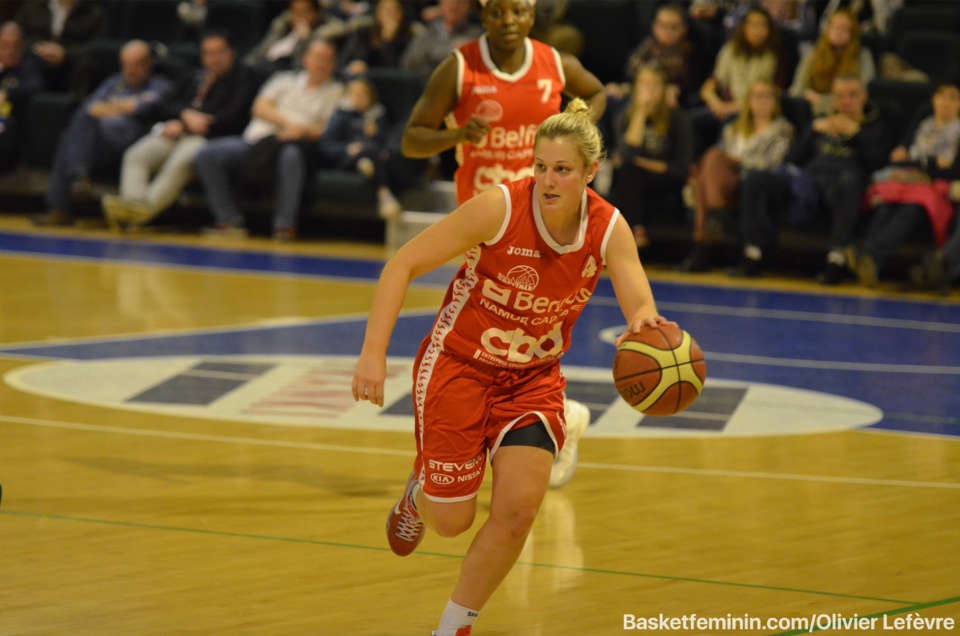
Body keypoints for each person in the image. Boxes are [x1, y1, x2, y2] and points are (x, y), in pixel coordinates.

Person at [352, 98, 668, 636]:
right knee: (452, 522)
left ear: (590, 173)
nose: (548, 180)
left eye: (562, 170)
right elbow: (402, 263)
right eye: (540, 166)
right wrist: (372, 354)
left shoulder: (608, 226)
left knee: (519, 510)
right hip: (459, 366)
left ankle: (452, 628)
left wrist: (644, 325)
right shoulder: (499, 208)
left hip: (531, 379)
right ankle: (418, 489)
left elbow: (640, 302)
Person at [400, 0, 607, 488]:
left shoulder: (554, 63)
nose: (507, 22)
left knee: (525, 333)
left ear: (531, 14)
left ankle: (537, 425)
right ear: (484, 15)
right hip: (488, 228)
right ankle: (561, 417)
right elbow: (411, 139)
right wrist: (455, 134)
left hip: (543, 225)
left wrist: (577, 125)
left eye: (517, 11)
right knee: (488, 341)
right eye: (496, 13)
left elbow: (597, 92)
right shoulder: (459, 66)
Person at [736, 74, 887, 281]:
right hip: (806, 186)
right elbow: (793, 160)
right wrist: (813, 131)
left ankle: (836, 259)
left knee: (850, 181)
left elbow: (878, 164)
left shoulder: (874, 125)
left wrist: (857, 133)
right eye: (840, 96)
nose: (846, 101)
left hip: (840, 187)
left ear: (864, 97)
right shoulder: (820, 123)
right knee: (755, 177)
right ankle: (753, 254)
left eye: (853, 95)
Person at [101, 31, 257, 231]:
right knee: (136, 155)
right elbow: (167, 104)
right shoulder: (194, 76)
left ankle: (139, 215)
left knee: (179, 163)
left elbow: (235, 117)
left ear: (232, 53)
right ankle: (132, 207)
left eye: (220, 52)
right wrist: (184, 115)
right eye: (209, 53)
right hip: (176, 131)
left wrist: (191, 123)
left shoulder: (243, 79)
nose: (214, 58)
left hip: (209, 137)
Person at [190, 39, 344, 241]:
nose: (321, 64)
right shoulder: (283, 80)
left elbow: (326, 130)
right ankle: (229, 220)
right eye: (317, 58)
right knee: (207, 154)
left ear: (334, 64)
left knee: (291, 155)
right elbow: (259, 108)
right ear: (306, 59)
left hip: (295, 144)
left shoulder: (337, 92)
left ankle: (284, 225)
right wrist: (287, 124)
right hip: (255, 143)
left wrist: (299, 131)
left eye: (327, 60)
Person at [31, 40, 172, 227]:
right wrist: (122, 106)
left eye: (136, 65)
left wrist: (111, 107)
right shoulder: (114, 82)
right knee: (77, 126)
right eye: (126, 65)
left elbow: (142, 107)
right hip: (96, 138)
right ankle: (78, 181)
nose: (130, 70)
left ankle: (64, 199)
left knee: (71, 137)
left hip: (130, 137)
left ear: (149, 64)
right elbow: (89, 108)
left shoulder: (160, 84)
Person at [680, 80, 794, 272]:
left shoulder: (783, 129)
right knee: (710, 160)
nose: (762, 101)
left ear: (775, 101)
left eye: (768, 96)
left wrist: (739, 161)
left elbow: (773, 163)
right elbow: (720, 158)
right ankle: (712, 219)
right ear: (748, 101)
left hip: (756, 183)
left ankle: (702, 245)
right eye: (757, 96)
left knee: (709, 172)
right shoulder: (732, 128)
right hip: (727, 182)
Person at [854, 81, 960, 287]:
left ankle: (940, 267)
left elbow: (951, 170)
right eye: (942, 96)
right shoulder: (923, 124)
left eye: (953, 98)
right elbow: (897, 159)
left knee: (913, 207)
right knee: (885, 205)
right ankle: (869, 260)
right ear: (933, 100)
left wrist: (921, 163)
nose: (946, 103)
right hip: (908, 182)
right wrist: (927, 163)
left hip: (936, 189)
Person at [609, 64, 694, 250]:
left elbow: (681, 167)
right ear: (636, 88)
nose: (649, 91)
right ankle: (636, 230)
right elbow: (625, 155)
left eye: (654, 85)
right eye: (644, 85)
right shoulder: (625, 116)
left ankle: (633, 231)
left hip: (666, 182)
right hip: (635, 181)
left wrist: (641, 163)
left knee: (631, 169)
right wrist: (640, 114)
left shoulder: (677, 118)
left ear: (663, 89)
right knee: (628, 172)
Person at [694, 7, 787, 155]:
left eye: (763, 25)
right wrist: (716, 103)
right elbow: (709, 86)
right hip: (722, 107)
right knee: (692, 121)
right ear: (744, 27)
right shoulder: (730, 51)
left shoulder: (774, 56)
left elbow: (776, 93)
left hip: (751, 110)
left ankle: (722, 163)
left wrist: (731, 108)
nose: (757, 30)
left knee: (729, 122)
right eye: (753, 25)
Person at [318, 76, 401, 219]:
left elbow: (387, 142)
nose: (359, 98)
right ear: (348, 95)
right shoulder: (340, 116)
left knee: (371, 150)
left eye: (363, 94)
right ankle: (384, 194)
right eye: (355, 94)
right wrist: (348, 148)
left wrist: (376, 134)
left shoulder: (378, 115)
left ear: (371, 97)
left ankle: (364, 164)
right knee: (369, 151)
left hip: (373, 155)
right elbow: (326, 146)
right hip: (345, 159)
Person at [788, 8, 875, 117]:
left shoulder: (863, 56)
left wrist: (823, 101)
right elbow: (796, 90)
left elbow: (864, 91)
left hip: (848, 110)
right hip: (812, 110)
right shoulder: (812, 55)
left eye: (844, 28)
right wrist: (807, 96)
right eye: (834, 27)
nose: (838, 32)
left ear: (852, 33)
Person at [14, 0, 106, 96]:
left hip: (72, 62)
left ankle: (74, 106)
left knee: (86, 63)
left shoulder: (94, 13)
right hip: (36, 58)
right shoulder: (33, 8)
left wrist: (65, 53)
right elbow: (17, 36)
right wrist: (37, 48)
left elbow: (96, 46)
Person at [0, 21, 46, 174]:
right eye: (4, 46)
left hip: (10, 123)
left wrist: (7, 94)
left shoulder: (29, 65)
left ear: (22, 47)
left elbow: (35, 85)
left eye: (15, 46)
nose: (10, 51)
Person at [399, 0, 484, 81]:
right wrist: (450, 51)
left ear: (469, 7)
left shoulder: (477, 35)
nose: (454, 6)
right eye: (449, 1)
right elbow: (408, 62)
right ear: (440, 4)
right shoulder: (428, 33)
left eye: (461, 2)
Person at [337, 0, 422, 79]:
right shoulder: (363, 32)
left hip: (394, 85)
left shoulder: (410, 36)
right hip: (364, 82)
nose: (391, 14)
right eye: (386, 10)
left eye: (395, 10)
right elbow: (342, 63)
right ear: (377, 13)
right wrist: (351, 68)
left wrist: (388, 42)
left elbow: (399, 71)